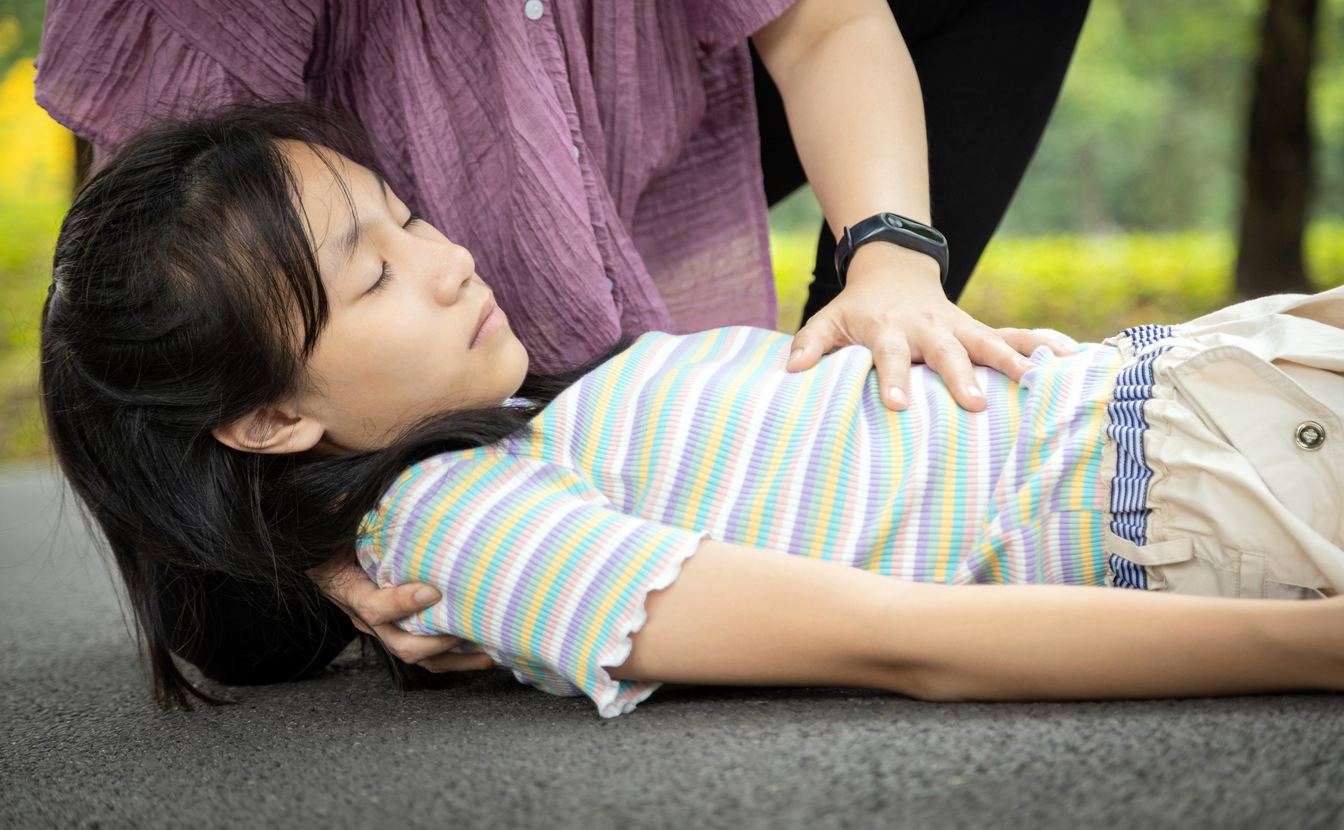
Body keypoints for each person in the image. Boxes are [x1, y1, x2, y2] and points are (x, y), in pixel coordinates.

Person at [41, 105, 1344, 715]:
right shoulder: (453, 538)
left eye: (409, 213)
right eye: (373, 271)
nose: (446, 260)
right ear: (266, 421)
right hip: (1198, 481)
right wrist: (1313, 654)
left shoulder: (527, 423)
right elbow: (907, 640)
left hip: (1197, 380)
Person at [36, 0, 1099, 680]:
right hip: (350, 349)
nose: (442, 256)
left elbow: (828, 24)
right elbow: (157, 295)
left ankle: (828, 408)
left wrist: (891, 264)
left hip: (618, 124)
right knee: (234, 626)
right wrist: (329, 554)